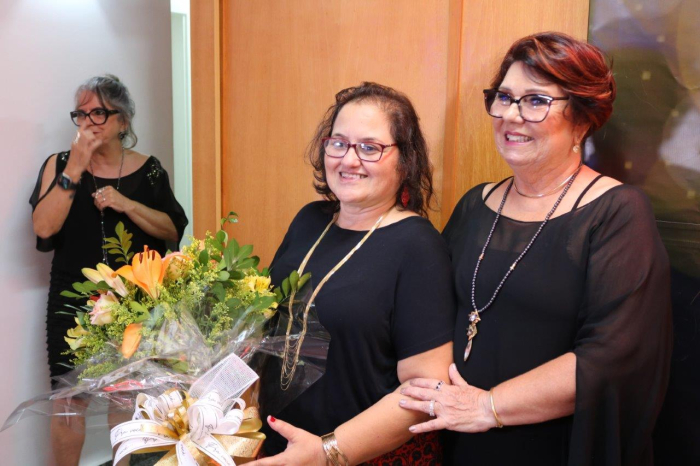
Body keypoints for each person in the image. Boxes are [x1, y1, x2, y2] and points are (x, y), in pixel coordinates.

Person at [399, 32, 672, 465]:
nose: (511, 115)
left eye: (535, 101)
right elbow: (427, 310)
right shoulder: (475, 203)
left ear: (582, 118)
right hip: (454, 437)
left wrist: (487, 406)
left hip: (553, 446)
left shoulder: (618, 212)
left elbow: (613, 356)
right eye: (505, 98)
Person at [252, 83, 456, 465]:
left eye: (369, 147)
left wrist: (326, 452)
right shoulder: (309, 220)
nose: (348, 160)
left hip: (359, 457)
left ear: (405, 160)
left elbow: (424, 389)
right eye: (339, 143)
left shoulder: (418, 246)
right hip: (278, 449)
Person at [30, 74, 188, 465]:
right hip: (72, 300)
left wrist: (126, 203)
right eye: (81, 114)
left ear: (123, 120)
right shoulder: (60, 164)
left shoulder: (149, 170)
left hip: (133, 302)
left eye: (99, 112)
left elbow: (171, 229)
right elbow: (44, 228)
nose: (89, 122)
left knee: (125, 395)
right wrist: (75, 167)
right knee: (69, 400)